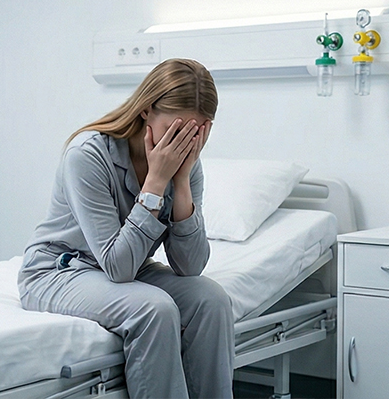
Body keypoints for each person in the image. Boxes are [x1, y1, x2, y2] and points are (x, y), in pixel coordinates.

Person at [17, 58, 234, 398]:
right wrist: (156, 182)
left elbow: (190, 266)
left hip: (128, 267)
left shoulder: (187, 162)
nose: (183, 144)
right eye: (175, 131)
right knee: (154, 308)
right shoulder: (87, 154)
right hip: (60, 270)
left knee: (212, 299)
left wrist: (181, 181)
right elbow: (118, 267)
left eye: (195, 134)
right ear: (146, 109)